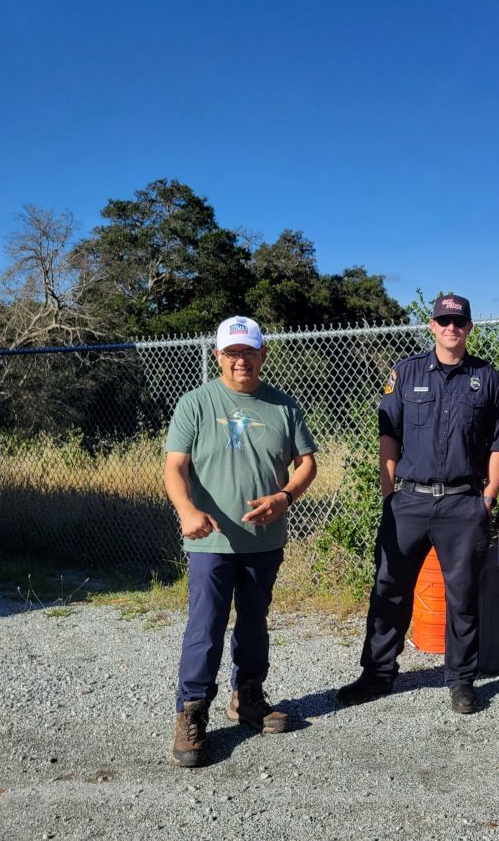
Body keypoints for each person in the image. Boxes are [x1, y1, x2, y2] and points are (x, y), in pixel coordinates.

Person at [338, 294, 499, 714]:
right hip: (410, 502)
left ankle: (461, 681)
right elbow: (388, 435)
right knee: (389, 590)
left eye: (459, 322)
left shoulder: (486, 378)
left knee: (463, 597)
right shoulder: (407, 371)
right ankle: (377, 675)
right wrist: (388, 494)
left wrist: (487, 499)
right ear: (431, 326)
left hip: (463, 505)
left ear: (469, 328)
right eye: (443, 321)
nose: (451, 328)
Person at [164, 316, 318, 768]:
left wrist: (284, 496)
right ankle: (191, 711)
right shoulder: (195, 404)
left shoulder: (283, 407)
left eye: (248, 352)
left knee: (254, 622)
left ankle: (247, 696)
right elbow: (174, 468)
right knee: (205, 627)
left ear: (262, 354)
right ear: (218, 357)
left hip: (263, 540)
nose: (240, 361)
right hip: (210, 542)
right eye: (231, 353)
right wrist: (187, 512)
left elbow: (307, 463)